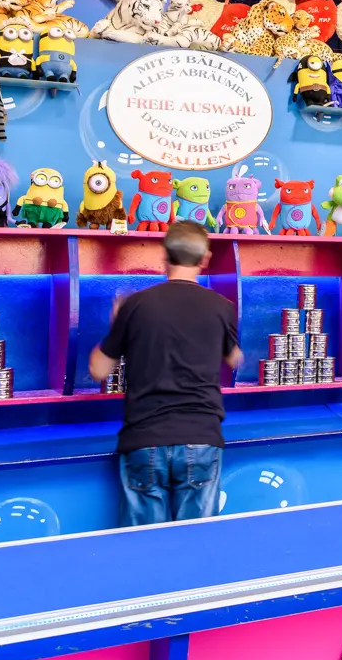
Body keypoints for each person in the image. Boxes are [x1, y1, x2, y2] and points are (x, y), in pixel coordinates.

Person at [91, 220, 242, 526]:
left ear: (165, 256)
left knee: (144, 548)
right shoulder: (221, 307)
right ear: (205, 259)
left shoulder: (135, 306)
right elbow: (235, 360)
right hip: (201, 437)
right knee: (195, 544)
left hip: (144, 438)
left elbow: (99, 369)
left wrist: (117, 323)